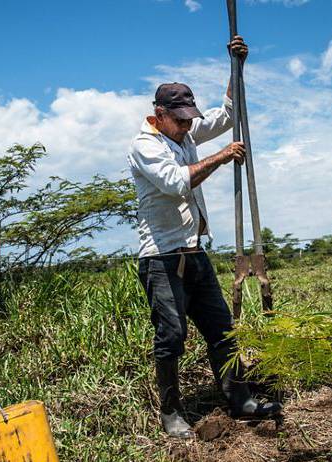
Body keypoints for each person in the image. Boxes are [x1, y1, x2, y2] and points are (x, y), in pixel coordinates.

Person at [127, 36, 282, 439]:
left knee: (222, 329)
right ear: (159, 115)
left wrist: (236, 67)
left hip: (194, 252)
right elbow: (176, 183)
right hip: (160, 258)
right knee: (172, 335)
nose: (187, 126)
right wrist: (222, 156)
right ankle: (171, 411)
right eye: (179, 120)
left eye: (190, 119)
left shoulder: (188, 134)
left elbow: (229, 114)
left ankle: (240, 398)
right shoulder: (145, 146)